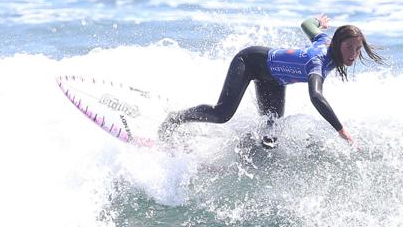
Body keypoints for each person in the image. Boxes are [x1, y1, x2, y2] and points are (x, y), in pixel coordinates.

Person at [158, 14, 384, 147]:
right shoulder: (318, 61)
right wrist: (340, 129)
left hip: (274, 79)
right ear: (336, 45)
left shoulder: (325, 41)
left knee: (271, 131)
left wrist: (317, 21)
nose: (353, 54)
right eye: (348, 47)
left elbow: (306, 24)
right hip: (250, 61)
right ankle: (175, 119)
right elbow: (316, 95)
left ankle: (247, 151)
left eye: (357, 48)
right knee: (221, 114)